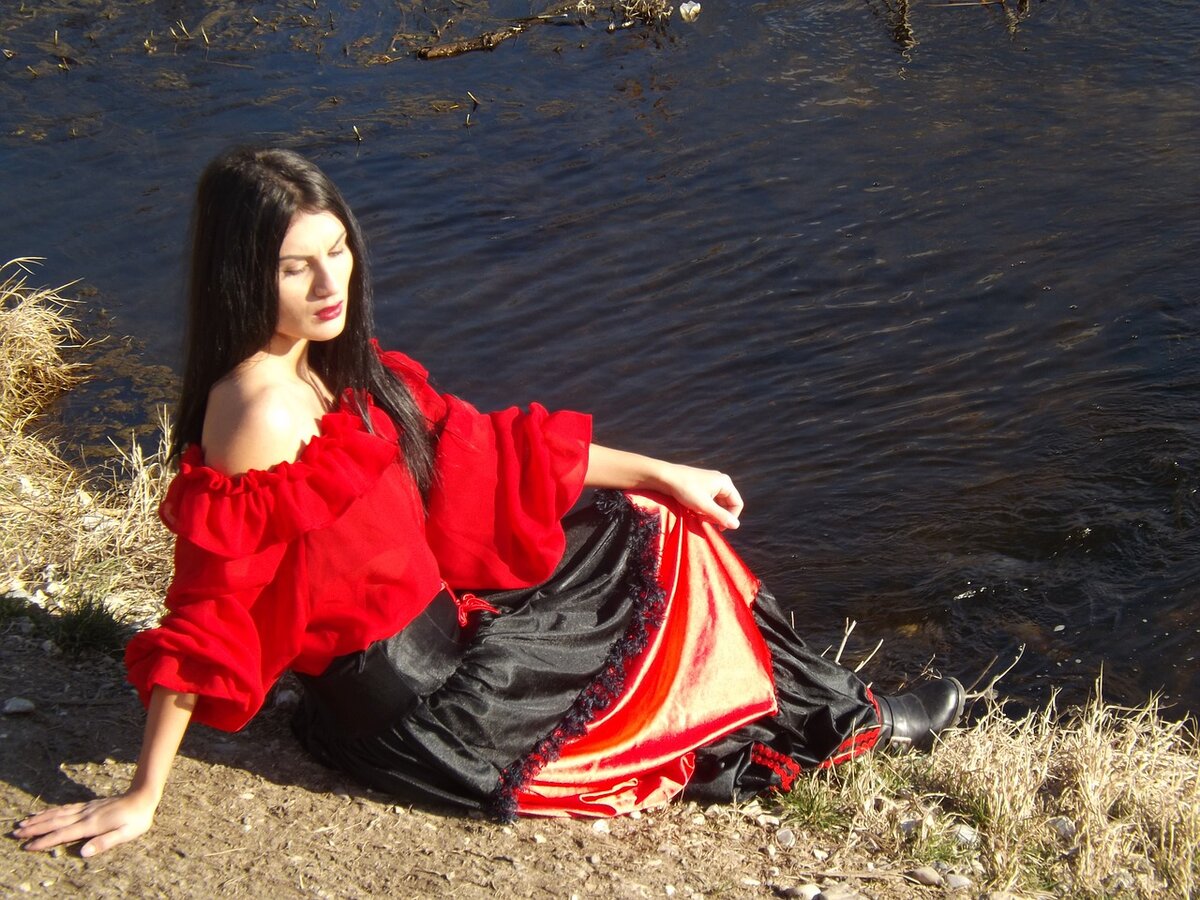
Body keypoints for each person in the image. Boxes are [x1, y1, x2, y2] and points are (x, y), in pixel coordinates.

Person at [14, 147, 963, 857]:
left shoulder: (332, 369)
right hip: (431, 716)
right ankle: (854, 728)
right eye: (296, 266)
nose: (331, 283)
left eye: (338, 250)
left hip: (453, 637)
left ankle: (837, 709)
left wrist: (660, 470)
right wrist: (142, 795)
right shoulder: (259, 413)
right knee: (658, 649)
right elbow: (210, 611)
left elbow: (478, 450)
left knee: (657, 525)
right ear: (242, 273)